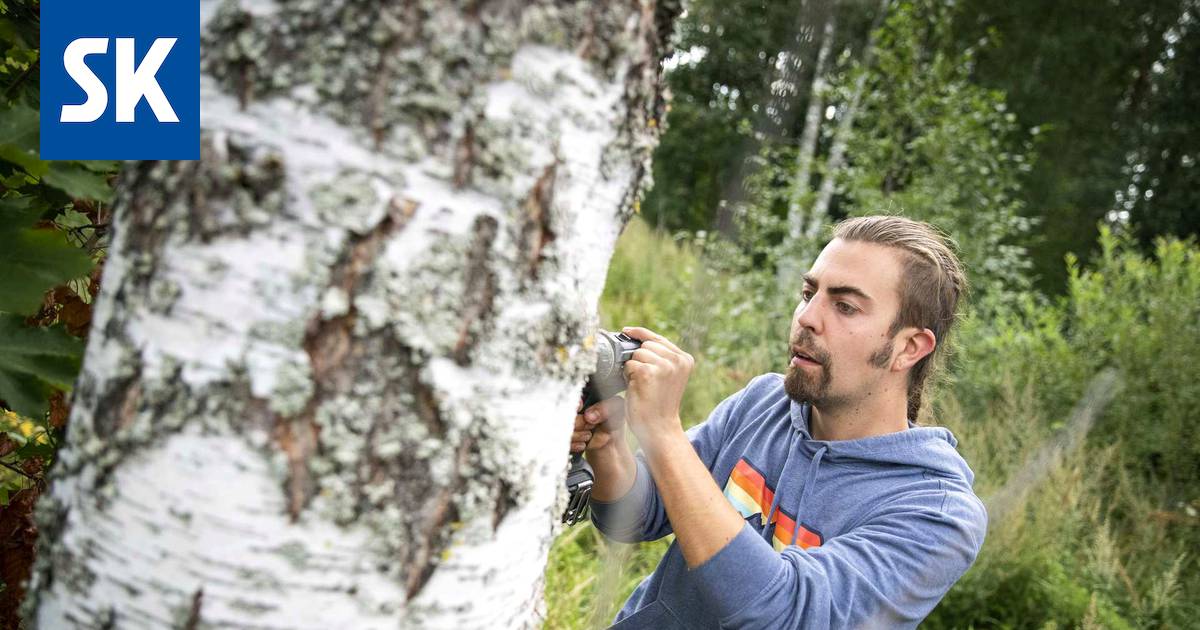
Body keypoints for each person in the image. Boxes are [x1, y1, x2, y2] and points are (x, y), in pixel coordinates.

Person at [571, 215, 987, 629]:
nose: (807, 317)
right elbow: (641, 513)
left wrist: (664, 433)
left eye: (845, 306)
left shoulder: (935, 513)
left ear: (908, 347)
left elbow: (784, 615)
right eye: (809, 293)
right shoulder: (765, 403)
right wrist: (607, 447)